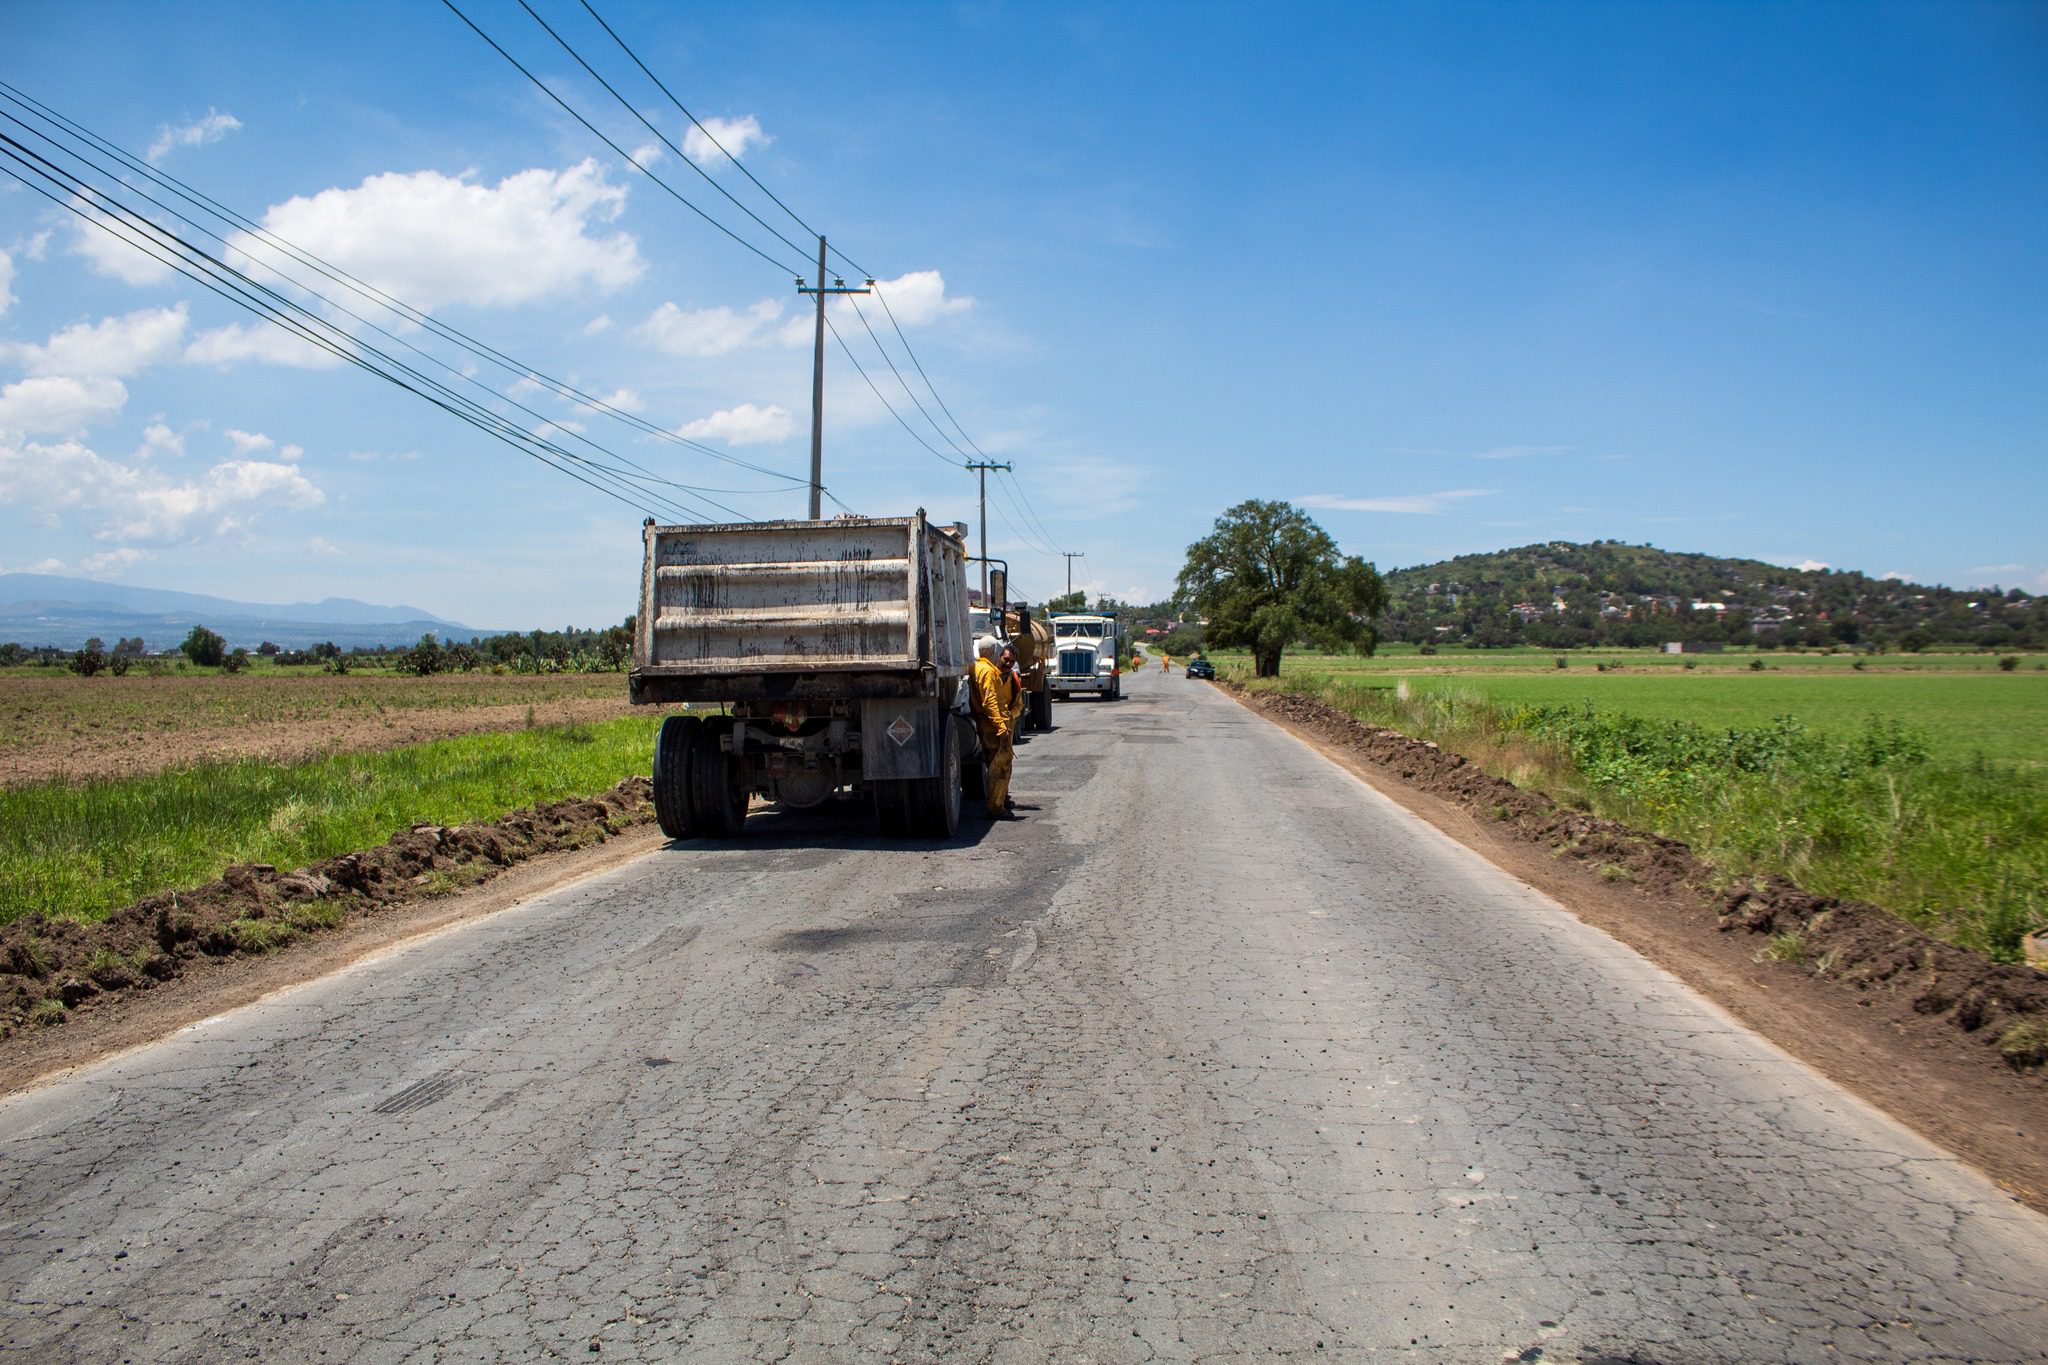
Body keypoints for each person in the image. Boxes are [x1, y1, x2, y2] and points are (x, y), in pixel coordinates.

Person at [970, 639, 1016, 819]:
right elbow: (990, 702)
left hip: (986, 723)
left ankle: (999, 800)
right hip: (992, 725)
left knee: (993, 764)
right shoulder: (988, 671)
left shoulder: (977, 667)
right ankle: (996, 807)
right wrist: (1001, 726)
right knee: (1000, 767)